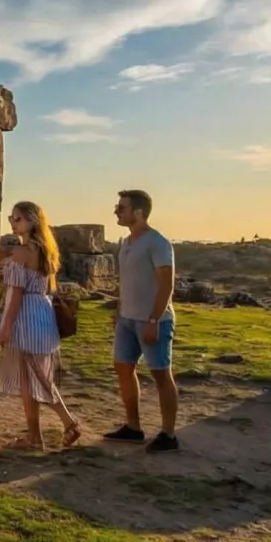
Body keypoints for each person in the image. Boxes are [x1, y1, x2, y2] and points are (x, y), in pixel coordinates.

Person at [0, 200, 84, 450]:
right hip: (42, 313)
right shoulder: (43, 249)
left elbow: (16, 293)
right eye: (11, 218)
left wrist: (5, 326)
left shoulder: (22, 252)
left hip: (26, 315)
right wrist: (6, 255)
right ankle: (34, 436)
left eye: (17, 218)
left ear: (32, 221)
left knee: (37, 379)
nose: (12, 222)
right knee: (31, 379)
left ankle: (69, 423)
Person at [105, 189, 180, 452]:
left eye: (121, 207)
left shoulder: (158, 243)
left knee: (161, 374)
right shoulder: (126, 242)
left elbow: (166, 284)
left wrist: (153, 320)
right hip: (127, 318)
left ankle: (168, 435)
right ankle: (133, 427)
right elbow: (126, 280)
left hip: (152, 320)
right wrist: (118, 309)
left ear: (138, 212)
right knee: (123, 369)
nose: (117, 211)